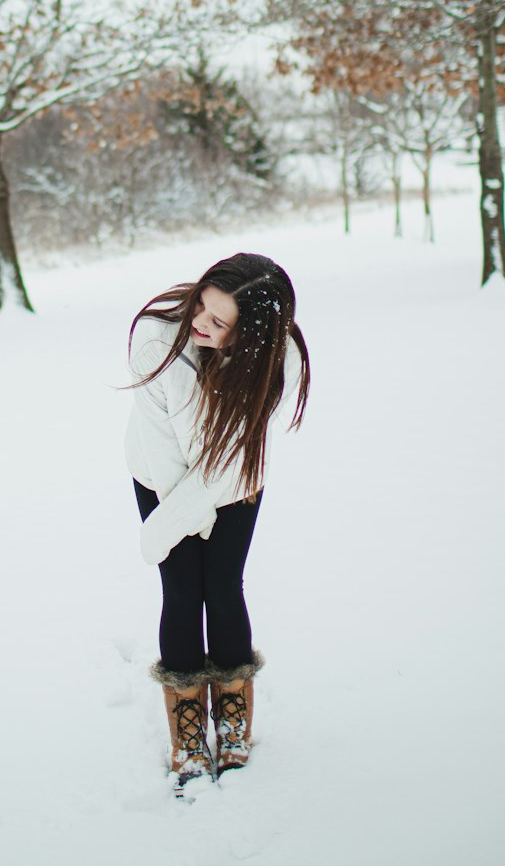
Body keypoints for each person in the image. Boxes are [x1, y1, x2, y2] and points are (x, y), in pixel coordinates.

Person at [125, 252, 310, 793]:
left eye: (218, 321)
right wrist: (177, 516)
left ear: (251, 335)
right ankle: (186, 726)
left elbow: (235, 458)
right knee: (182, 590)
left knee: (223, 588)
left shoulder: (282, 360)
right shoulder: (157, 336)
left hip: (235, 479)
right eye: (202, 304)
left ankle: (232, 710)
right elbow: (162, 452)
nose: (199, 322)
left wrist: (169, 527)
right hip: (160, 476)